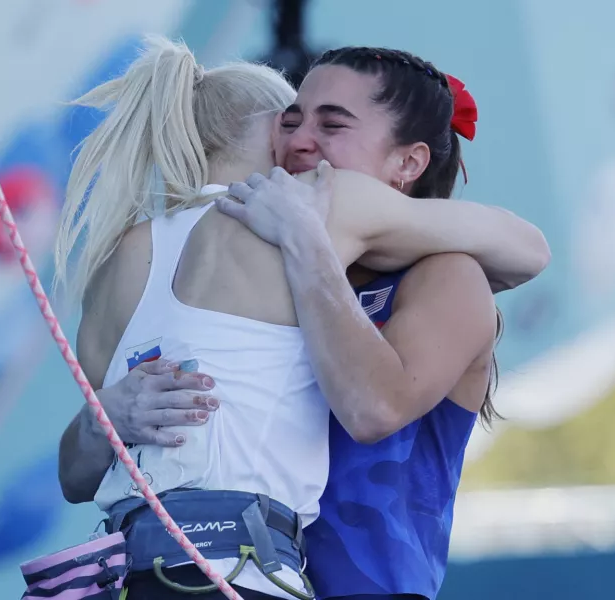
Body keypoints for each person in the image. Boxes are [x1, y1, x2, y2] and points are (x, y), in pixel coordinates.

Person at [56, 38, 549, 600]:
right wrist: (103, 419)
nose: (299, 141)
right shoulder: (253, 259)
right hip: (223, 573)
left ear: (409, 163)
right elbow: (77, 473)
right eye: (290, 122)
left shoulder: (444, 277)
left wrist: (307, 244)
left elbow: (374, 407)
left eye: (332, 126)